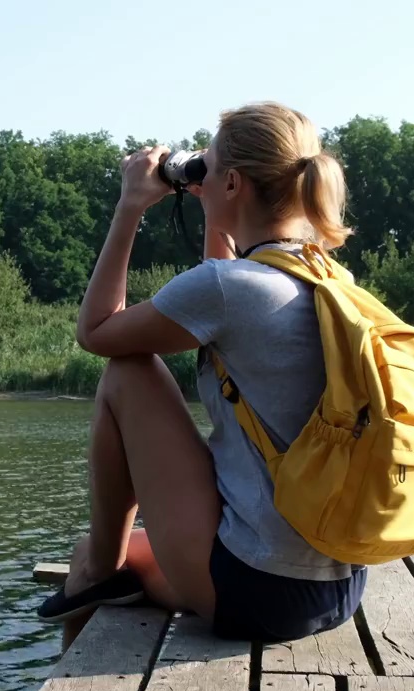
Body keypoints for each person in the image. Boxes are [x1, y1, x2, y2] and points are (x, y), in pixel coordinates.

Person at [37, 101, 368, 646]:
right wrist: (218, 205)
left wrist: (129, 207)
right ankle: (99, 575)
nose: (201, 175)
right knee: (111, 559)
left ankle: (96, 579)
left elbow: (97, 331)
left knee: (127, 369)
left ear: (234, 182)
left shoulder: (230, 288)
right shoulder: (323, 273)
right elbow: (228, 282)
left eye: (208, 167)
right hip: (336, 586)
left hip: (262, 591)